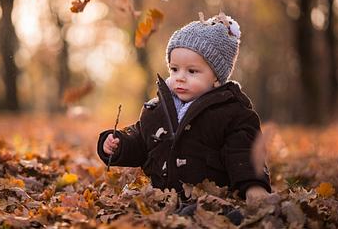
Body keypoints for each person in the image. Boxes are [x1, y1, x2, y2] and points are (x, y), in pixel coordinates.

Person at [97, 12, 271, 207]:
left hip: (210, 202)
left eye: (192, 71)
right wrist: (119, 143)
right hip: (163, 202)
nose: (180, 77)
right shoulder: (156, 109)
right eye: (174, 69)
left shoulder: (231, 112)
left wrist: (255, 187)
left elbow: (244, 151)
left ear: (216, 78)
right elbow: (141, 139)